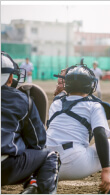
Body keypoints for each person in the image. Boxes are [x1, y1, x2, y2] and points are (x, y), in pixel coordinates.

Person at [47, 62, 110, 194]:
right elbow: (100, 134)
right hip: (74, 162)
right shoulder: (94, 105)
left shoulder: (56, 103)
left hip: (46, 162)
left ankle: (46, 185)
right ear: (90, 84)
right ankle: (109, 189)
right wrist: (106, 169)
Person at [1, 51, 60, 194]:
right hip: (5, 167)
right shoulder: (22, 100)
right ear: (9, 78)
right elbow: (38, 142)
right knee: (50, 155)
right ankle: (36, 186)